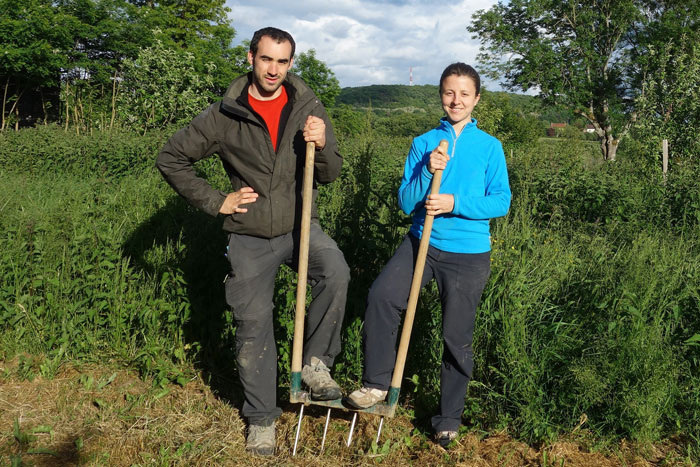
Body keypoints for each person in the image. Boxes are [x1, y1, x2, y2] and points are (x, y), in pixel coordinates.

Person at [156, 27, 349, 456]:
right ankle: (262, 419)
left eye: (282, 62)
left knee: (335, 270)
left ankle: (316, 366)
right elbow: (171, 158)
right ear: (251, 58)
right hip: (249, 235)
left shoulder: (308, 107)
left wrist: (323, 143)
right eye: (266, 59)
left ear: (291, 64)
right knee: (253, 324)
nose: (274, 70)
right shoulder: (226, 114)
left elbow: (330, 173)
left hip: (301, 226)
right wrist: (217, 201)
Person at [346, 63, 511, 448]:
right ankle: (375, 385)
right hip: (421, 242)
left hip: (468, 254)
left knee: (456, 335)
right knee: (382, 296)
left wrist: (454, 201)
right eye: (449, 93)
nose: (456, 100)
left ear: (476, 99)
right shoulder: (424, 143)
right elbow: (406, 202)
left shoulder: (489, 147)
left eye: (464, 94)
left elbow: (501, 200)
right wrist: (426, 171)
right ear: (440, 95)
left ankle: (448, 418)